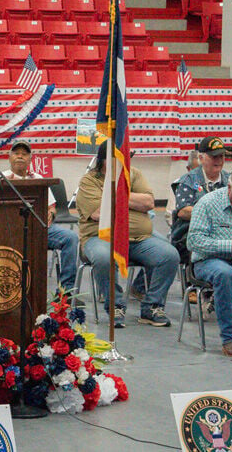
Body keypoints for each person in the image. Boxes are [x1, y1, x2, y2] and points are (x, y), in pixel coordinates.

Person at [76, 140, 180, 328]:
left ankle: (152, 307)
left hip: (138, 239)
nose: (119, 163)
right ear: (102, 160)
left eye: (123, 158)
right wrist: (132, 200)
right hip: (101, 238)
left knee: (170, 255)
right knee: (103, 257)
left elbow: (148, 203)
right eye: (114, 158)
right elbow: (99, 214)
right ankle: (115, 306)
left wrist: (115, 194)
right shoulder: (89, 181)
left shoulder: (135, 174)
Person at [187, 168, 232, 358]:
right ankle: (230, 339)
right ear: (229, 188)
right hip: (210, 260)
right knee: (225, 274)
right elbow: (194, 241)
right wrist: (231, 246)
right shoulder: (207, 203)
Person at [2, 139, 79, 292]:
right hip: (11, 231)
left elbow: (52, 207)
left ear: (30, 159)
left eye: (24, 154)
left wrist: (51, 212)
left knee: (71, 238)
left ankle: (65, 292)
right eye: (16, 153)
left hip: (40, 229)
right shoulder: (2, 178)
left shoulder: (37, 179)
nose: (20, 157)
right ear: (9, 157)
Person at [172, 137, 230, 310]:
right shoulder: (188, 180)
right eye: (214, 157)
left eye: (221, 156)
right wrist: (211, 214)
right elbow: (183, 211)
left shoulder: (230, 180)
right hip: (189, 232)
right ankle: (198, 282)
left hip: (225, 231)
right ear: (201, 157)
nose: (218, 160)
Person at [165, 149, 199, 226]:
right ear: (188, 169)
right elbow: (170, 215)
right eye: (196, 170)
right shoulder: (179, 183)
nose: (199, 173)